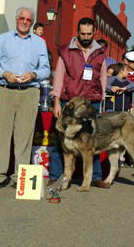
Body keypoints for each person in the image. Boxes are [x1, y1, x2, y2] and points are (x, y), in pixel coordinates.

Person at [0, 7, 49, 190]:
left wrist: (34, 74)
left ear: (32, 22)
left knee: (24, 136)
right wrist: (4, 73)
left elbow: (45, 68)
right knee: (2, 134)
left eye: (28, 20)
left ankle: (20, 176)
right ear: (16, 19)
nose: (24, 21)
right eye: (22, 18)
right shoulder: (3, 39)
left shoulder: (39, 43)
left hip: (29, 91)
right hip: (5, 89)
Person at [49, 17, 107, 187]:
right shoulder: (66, 51)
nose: (86, 36)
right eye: (83, 33)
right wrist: (57, 102)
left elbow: (102, 75)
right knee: (61, 140)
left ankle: (95, 177)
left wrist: (101, 97)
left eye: (89, 33)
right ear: (78, 33)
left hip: (91, 102)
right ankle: (56, 175)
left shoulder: (100, 52)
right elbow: (59, 77)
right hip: (70, 102)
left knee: (92, 140)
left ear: (94, 33)